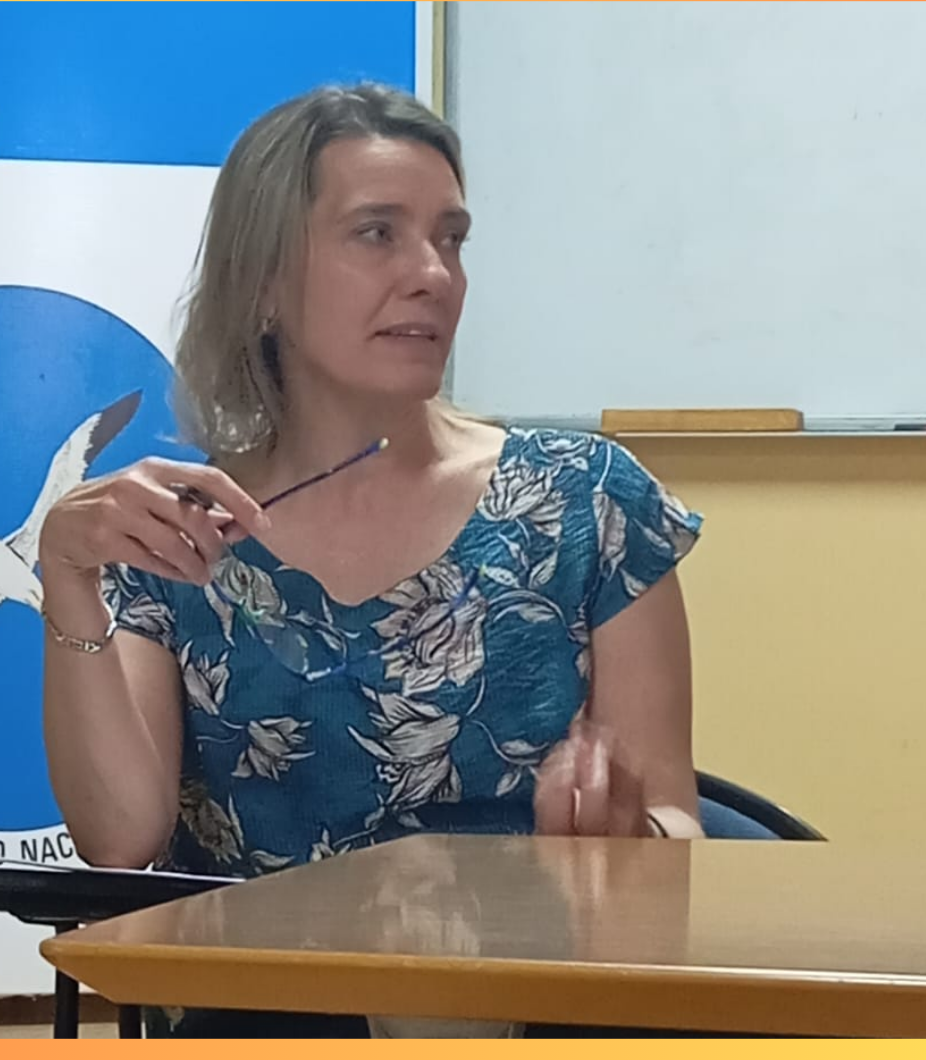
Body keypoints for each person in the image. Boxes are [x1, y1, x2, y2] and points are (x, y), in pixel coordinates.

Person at [38, 83, 704, 1037]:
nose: (433, 274)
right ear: (264, 281)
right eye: (377, 233)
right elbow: (118, 838)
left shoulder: (586, 500)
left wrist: (627, 834)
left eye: (451, 238)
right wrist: (68, 580)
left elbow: (679, 835)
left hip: (539, 1012)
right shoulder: (174, 535)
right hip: (270, 1023)